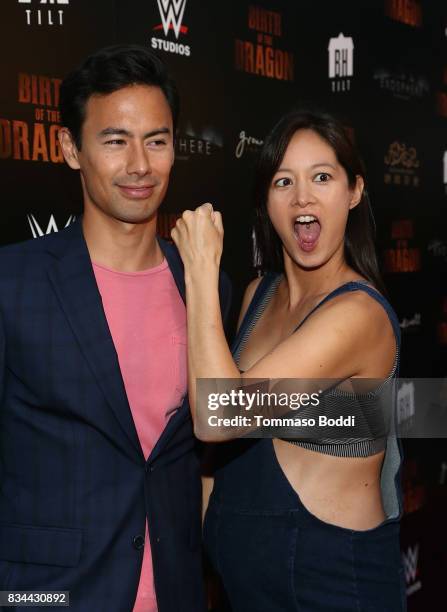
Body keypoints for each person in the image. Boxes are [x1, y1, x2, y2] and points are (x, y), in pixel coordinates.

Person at [0, 44, 230, 612]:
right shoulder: (14, 282)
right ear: (70, 149)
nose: (140, 165)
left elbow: (213, 446)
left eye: (157, 140)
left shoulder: (205, 285)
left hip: (178, 590)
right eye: (115, 140)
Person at [171, 110, 406, 611]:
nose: (303, 197)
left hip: (331, 587)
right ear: (266, 200)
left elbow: (219, 416)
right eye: (284, 181)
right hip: (248, 590)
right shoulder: (260, 293)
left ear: (354, 191)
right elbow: (225, 451)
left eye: (322, 176)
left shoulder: (358, 315)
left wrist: (200, 272)